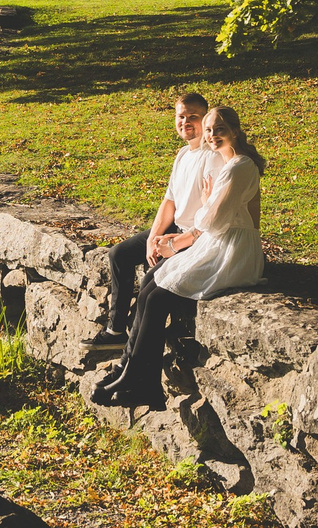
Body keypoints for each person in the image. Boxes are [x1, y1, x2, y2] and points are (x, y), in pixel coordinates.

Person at [91, 106, 268, 410]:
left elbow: (213, 219)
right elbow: (213, 216)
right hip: (219, 242)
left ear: (235, 132)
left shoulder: (239, 167)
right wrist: (205, 208)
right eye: (210, 129)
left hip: (233, 252)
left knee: (158, 298)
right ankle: (139, 380)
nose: (212, 135)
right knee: (150, 288)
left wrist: (205, 206)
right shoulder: (229, 166)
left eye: (219, 129)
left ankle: (136, 380)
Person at [97, 91, 212, 343]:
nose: (185, 122)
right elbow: (169, 201)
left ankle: (142, 341)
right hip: (174, 228)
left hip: (194, 238)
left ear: (206, 119)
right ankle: (115, 330)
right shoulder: (183, 155)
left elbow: (211, 215)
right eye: (181, 116)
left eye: (193, 116)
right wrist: (153, 236)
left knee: (154, 276)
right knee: (119, 254)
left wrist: (171, 242)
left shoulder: (210, 156)